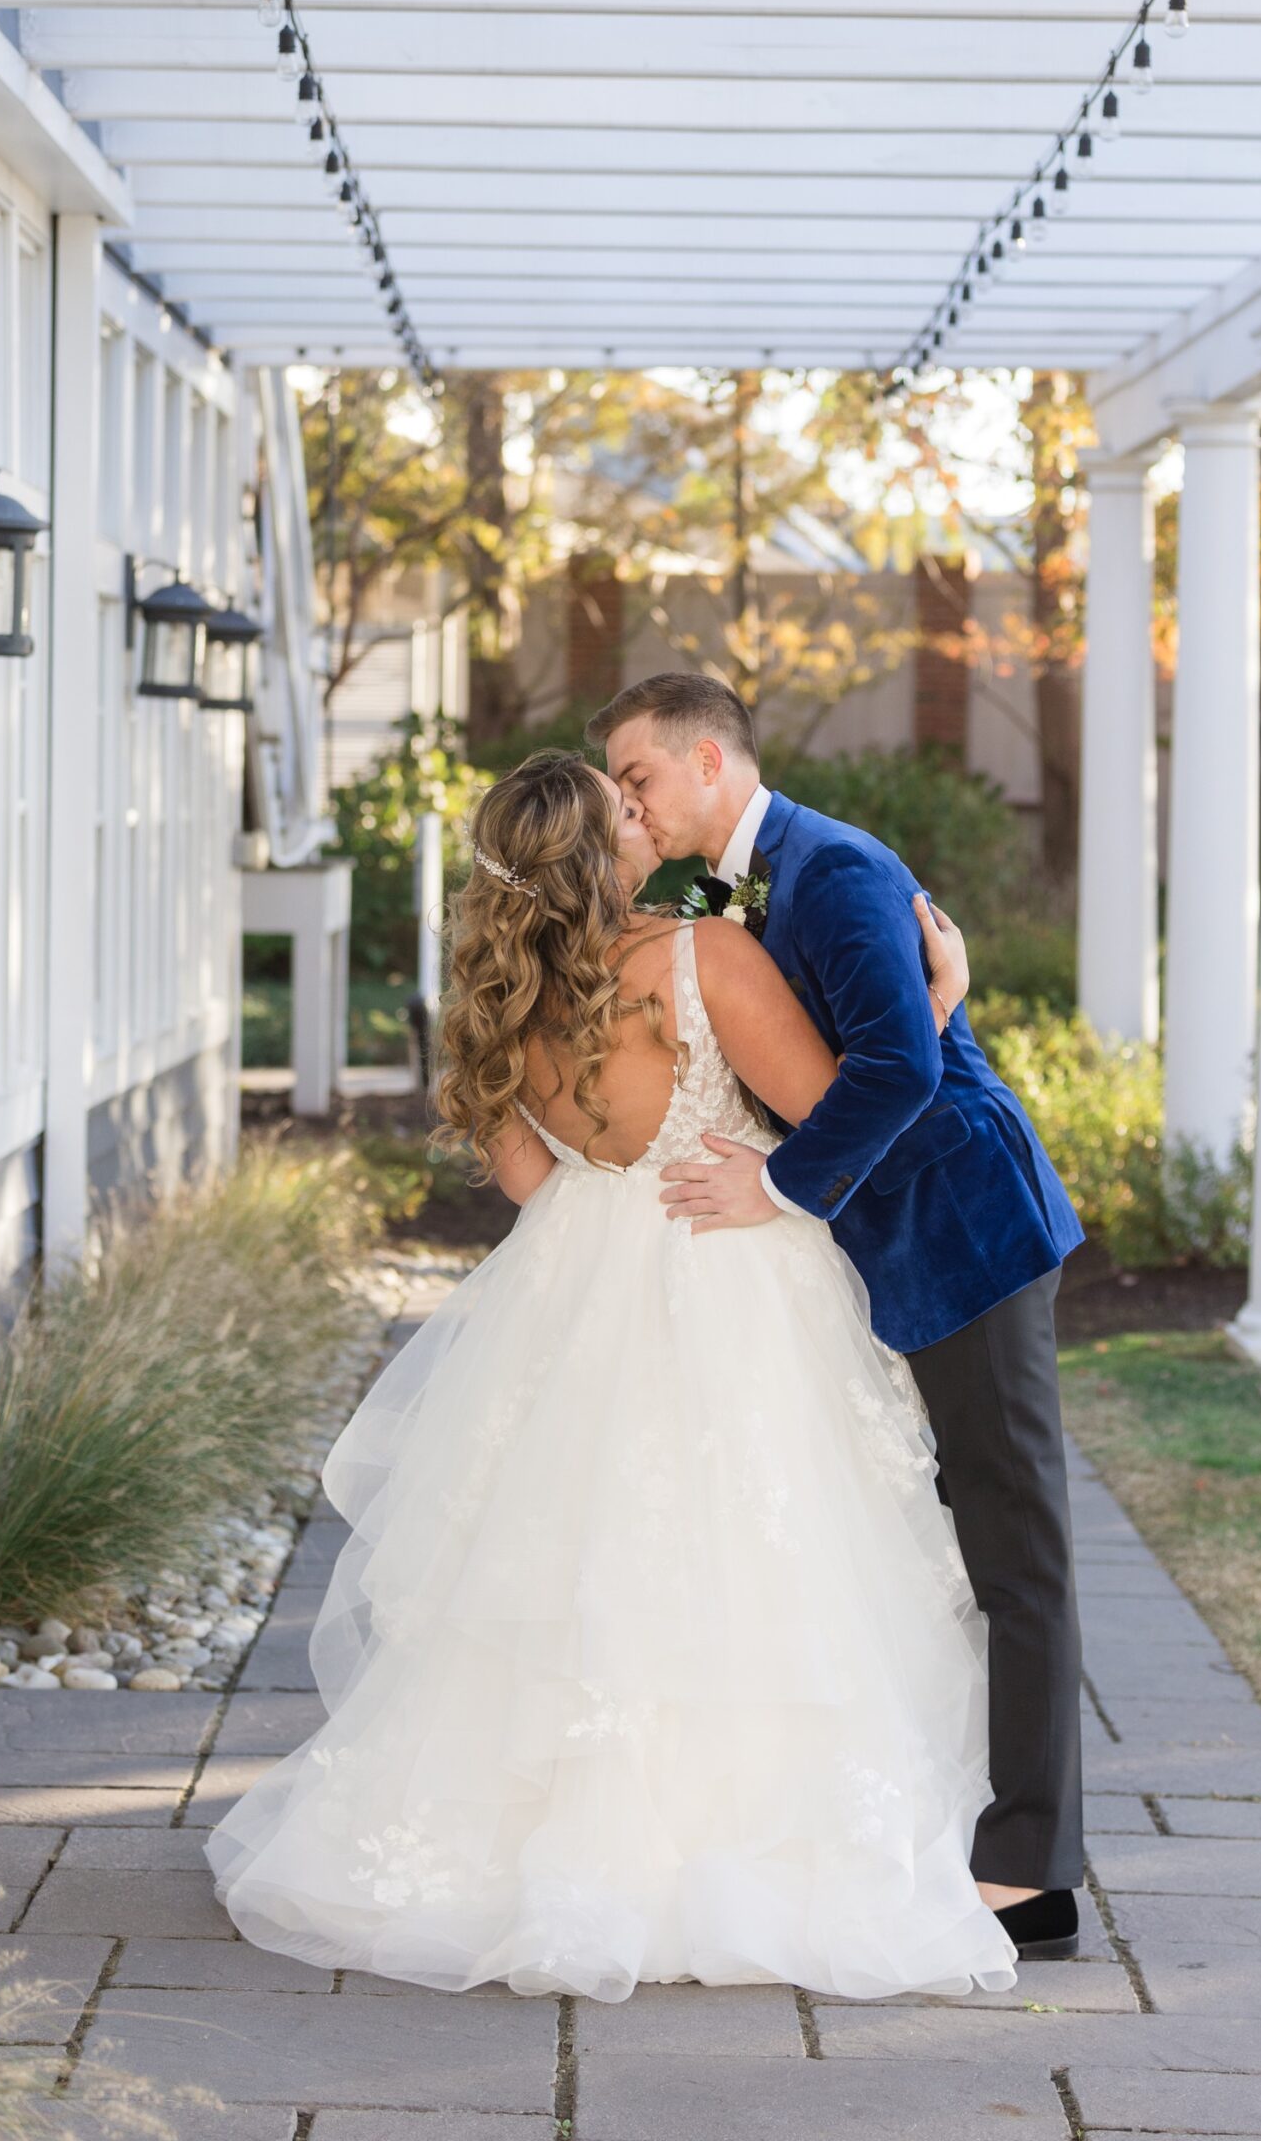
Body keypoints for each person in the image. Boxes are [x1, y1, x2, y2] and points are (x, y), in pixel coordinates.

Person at [206, 748, 1020, 2003]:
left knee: (567, 1559)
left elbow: (535, 1184)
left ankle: (536, 1848)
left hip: (574, 1277)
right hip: (725, 1260)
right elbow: (833, 1112)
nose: (645, 817)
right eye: (624, 809)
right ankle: (726, 1854)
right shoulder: (706, 962)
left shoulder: (496, 997)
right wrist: (943, 999)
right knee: (756, 1557)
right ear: (608, 848)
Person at [591, 673, 1087, 1961]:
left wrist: (775, 1183)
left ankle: (1033, 1874)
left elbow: (904, 1067)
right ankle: (936, 1808)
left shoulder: (835, 864)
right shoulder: (721, 877)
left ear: (709, 761)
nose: (630, 805)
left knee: (1012, 1536)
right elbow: (635, 943)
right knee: (914, 1532)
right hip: (879, 1235)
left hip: (966, 1225)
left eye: (639, 779)